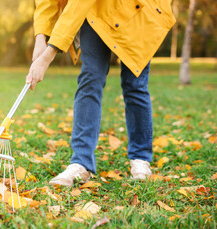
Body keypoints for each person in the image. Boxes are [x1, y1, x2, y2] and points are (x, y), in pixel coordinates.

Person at [26, 0, 176, 187]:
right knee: (90, 78)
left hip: (138, 9)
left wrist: (48, 55)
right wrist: (41, 36)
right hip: (96, 8)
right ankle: (81, 162)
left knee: (135, 83)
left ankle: (140, 158)